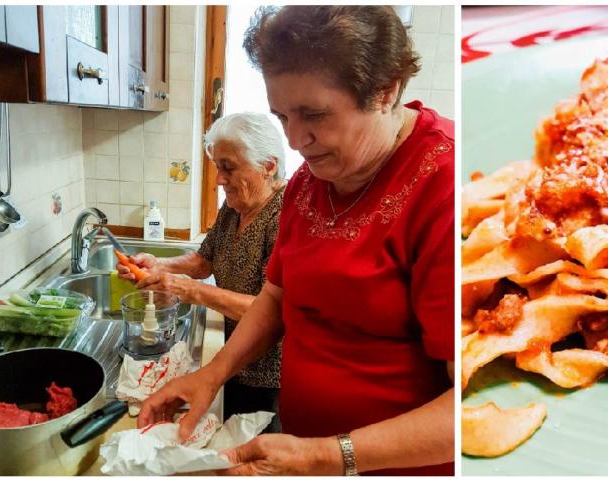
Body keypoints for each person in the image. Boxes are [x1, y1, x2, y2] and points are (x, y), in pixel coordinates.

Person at [138, 6, 455, 476]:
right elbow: (276, 298)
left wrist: (328, 455)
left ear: (385, 91)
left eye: (314, 114)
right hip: (305, 450)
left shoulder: (442, 186)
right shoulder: (310, 179)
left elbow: (464, 408)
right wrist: (212, 375)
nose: (295, 139)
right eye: (282, 115)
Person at [118, 112, 287, 432]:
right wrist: (159, 265)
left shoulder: (284, 215)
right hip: (233, 358)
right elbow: (204, 260)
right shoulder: (235, 204)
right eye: (217, 167)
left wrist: (190, 290)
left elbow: (270, 311)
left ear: (268, 166)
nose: (219, 180)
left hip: (267, 372)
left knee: (253, 448)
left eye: (228, 167)